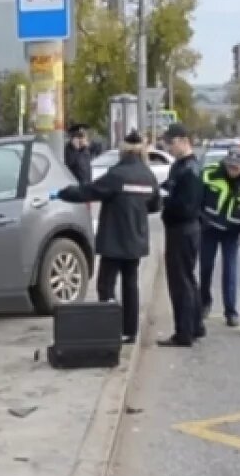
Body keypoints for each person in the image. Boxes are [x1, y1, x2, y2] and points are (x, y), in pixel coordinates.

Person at [54, 129, 161, 344]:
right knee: (131, 284)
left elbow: (88, 192)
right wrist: (136, 209)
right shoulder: (148, 176)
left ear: (123, 152)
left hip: (114, 239)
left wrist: (61, 193)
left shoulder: (116, 175)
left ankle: (109, 326)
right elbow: (155, 205)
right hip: (135, 239)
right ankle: (131, 331)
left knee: (106, 284)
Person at [199, 148, 240, 328]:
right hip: (208, 228)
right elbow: (197, 199)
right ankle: (204, 303)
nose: (232, 170)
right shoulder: (209, 174)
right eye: (229, 166)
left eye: (236, 167)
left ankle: (231, 312)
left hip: (232, 233)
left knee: (230, 271)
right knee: (205, 268)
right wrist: (199, 219)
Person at [158, 123, 205, 348]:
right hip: (181, 229)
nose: (168, 146)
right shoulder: (180, 166)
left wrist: (165, 201)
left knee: (180, 282)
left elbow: (186, 206)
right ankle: (195, 325)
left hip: (183, 229)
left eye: (172, 142)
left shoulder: (191, 170)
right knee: (187, 278)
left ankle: (184, 332)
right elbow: (169, 187)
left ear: (185, 141)